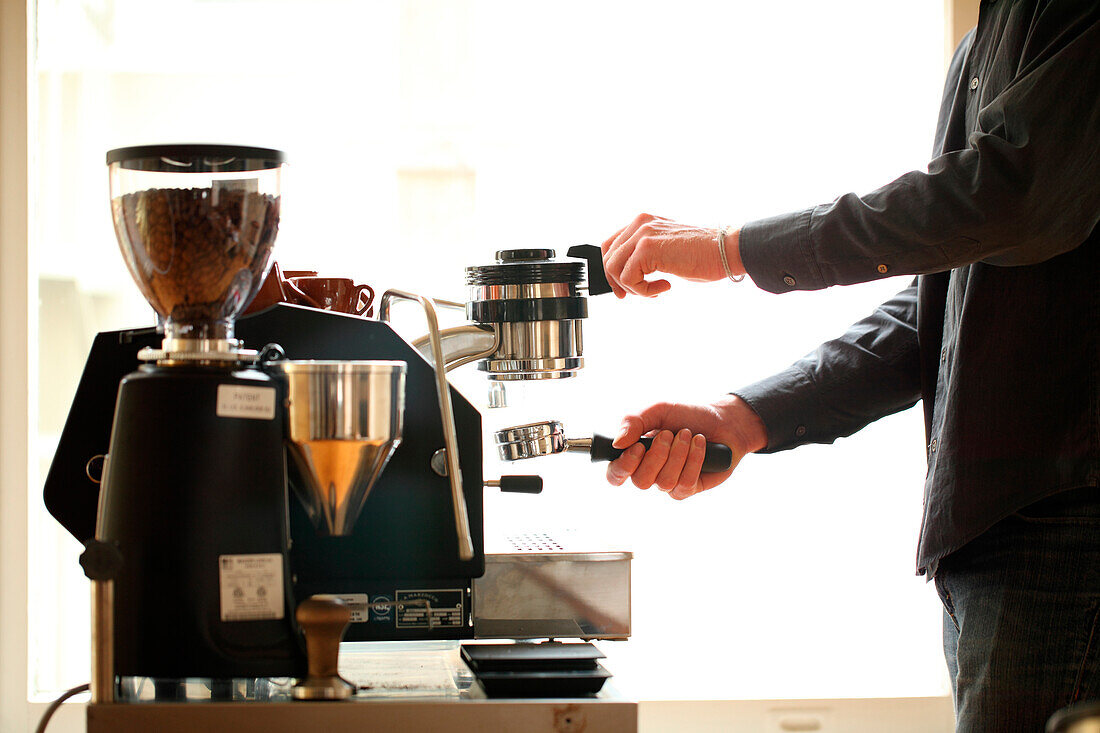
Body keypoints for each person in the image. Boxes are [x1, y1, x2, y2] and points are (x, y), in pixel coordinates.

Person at [599, 2, 1100, 731]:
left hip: (1068, 524)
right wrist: (743, 419)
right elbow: (941, 306)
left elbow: (1011, 195)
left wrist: (730, 248)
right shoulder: (984, 45)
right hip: (998, 534)